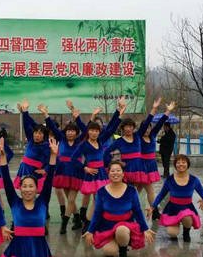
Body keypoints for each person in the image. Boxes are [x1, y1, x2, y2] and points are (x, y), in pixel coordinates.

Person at [83, 161, 155, 257]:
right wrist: (90, 230)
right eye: (112, 171)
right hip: (107, 227)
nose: (115, 173)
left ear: (123, 173)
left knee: (121, 230)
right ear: (108, 173)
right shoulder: (101, 191)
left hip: (125, 226)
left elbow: (137, 211)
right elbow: (97, 213)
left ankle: (123, 250)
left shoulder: (131, 190)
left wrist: (145, 228)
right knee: (109, 252)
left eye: (118, 170)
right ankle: (117, 241)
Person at [71, 98, 125, 232]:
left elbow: (111, 128)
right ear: (88, 131)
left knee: (98, 200)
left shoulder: (100, 141)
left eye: (96, 131)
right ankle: (88, 225)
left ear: (99, 132)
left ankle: (92, 224)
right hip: (92, 175)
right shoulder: (84, 144)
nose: (94, 133)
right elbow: (73, 159)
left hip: (101, 173)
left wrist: (119, 113)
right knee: (96, 200)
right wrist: (85, 168)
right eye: (92, 130)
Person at [39, 101, 85, 234]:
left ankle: (64, 224)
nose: (70, 133)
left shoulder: (80, 141)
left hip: (76, 173)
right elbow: (52, 127)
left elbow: (86, 131)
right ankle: (77, 219)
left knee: (71, 200)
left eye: (73, 131)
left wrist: (76, 116)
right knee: (70, 200)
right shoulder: (61, 139)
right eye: (68, 131)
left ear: (76, 133)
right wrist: (46, 114)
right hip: (62, 173)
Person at [150, 154, 203, 242]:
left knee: (187, 216)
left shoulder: (194, 180)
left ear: (187, 164)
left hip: (187, 208)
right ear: (175, 165)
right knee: (172, 233)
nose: (181, 164)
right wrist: (153, 206)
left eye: (183, 162)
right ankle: (175, 225)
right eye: (178, 162)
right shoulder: (169, 179)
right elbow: (161, 194)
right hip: (172, 209)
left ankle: (186, 232)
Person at [139, 100, 175, 217]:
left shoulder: (153, 135)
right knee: (140, 190)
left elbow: (160, 123)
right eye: (145, 128)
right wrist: (153, 109)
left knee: (145, 190)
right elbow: (147, 123)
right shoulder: (138, 137)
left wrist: (168, 111)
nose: (147, 130)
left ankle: (153, 211)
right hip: (140, 167)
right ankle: (151, 212)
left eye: (148, 128)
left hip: (150, 166)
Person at [14, 100, 51, 193]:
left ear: (44, 136)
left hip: (35, 172)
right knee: (24, 193)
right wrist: (25, 111)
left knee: (33, 193)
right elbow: (27, 125)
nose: (37, 135)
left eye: (40, 134)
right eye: (35, 133)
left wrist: (45, 170)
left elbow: (53, 160)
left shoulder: (46, 145)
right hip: (24, 169)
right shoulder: (31, 139)